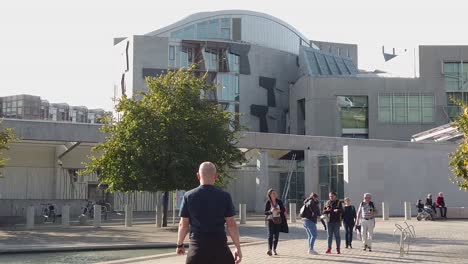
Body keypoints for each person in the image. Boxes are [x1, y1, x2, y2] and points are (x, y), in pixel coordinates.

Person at [176, 162, 242, 264]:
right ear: (216, 176)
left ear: (198, 175)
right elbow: (231, 224)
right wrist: (238, 247)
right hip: (220, 250)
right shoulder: (225, 196)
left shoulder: (188, 196)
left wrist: (180, 244)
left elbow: (183, 225)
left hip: (197, 250)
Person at [264, 188, 288, 256]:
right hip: (270, 220)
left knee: (276, 236)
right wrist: (271, 211)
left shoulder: (279, 201)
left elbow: (283, 209)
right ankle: (269, 250)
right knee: (270, 235)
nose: (275, 195)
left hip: (278, 220)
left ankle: (274, 249)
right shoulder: (268, 202)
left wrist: (279, 210)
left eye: (275, 193)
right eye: (273, 193)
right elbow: (265, 212)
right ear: (270, 195)